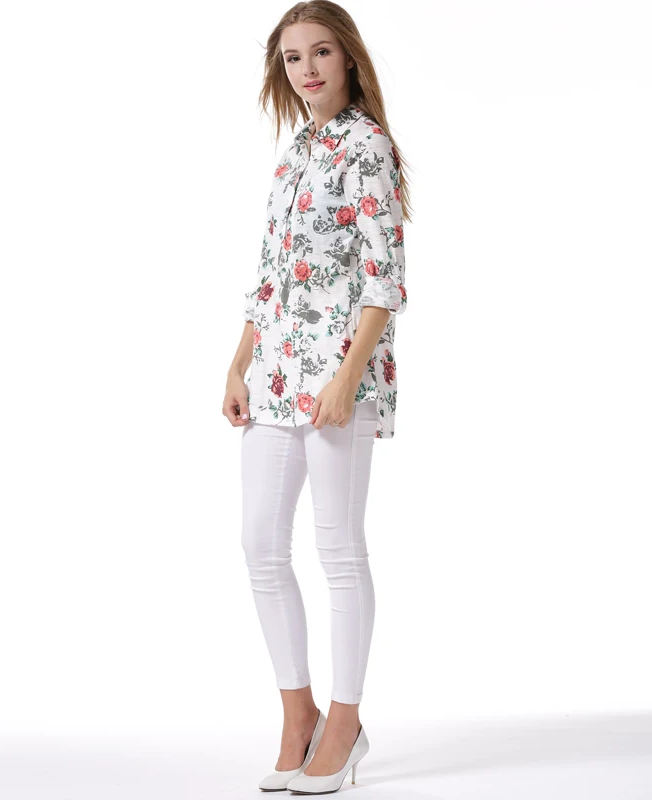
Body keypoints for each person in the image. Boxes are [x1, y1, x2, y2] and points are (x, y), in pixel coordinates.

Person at [222, 1, 412, 793]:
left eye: (321, 52)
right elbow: (270, 276)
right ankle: (296, 713)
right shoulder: (296, 151)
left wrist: (345, 379)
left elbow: (384, 279)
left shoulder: (367, 146)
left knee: (338, 550)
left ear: (348, 58)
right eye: (293, 57)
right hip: (273, 376)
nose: (307, 68)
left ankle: (345, 723)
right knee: (260, 546)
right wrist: (238, 364)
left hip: (338, 381)